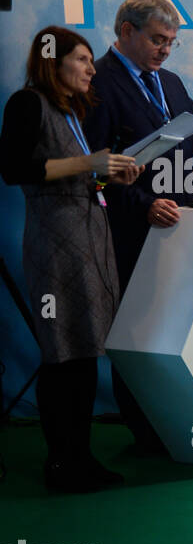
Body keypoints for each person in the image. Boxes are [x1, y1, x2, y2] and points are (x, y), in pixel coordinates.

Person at [83, 0, 193, 454]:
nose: (165, 50)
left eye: (171, 42)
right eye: (157, 39)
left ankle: (184, 419)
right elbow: (94, 166)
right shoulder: (98, 83)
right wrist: (142, 202)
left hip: (188, 226)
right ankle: (146, 434)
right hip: (133, 231)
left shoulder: (169, 81)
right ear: (126, 31)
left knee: (184, 327)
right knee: (141, 333)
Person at [0, 26, 143, 492]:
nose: (90, 69)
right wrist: (91, 164)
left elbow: (78, 176)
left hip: (89, 239)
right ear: (52, 61)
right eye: (81, 60)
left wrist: (110, 177)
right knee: (62, 354)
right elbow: (16, 169)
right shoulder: (29, 103)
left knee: (82, 354)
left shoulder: (73, 112)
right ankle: (61, 464)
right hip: (56, 242)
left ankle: (79, 457)